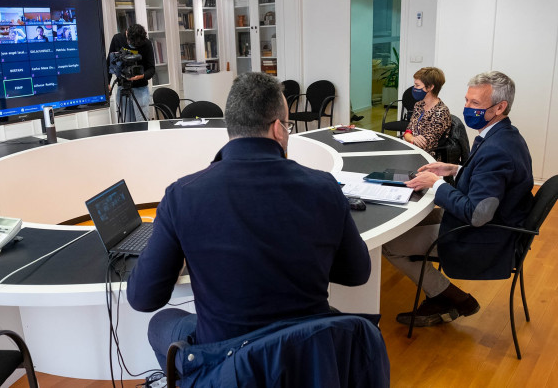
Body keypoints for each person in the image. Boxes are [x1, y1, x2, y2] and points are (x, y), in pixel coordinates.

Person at [127, 72, 372, 370]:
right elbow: (357, 273)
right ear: (278, 129)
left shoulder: (183, 196)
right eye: (289, 126)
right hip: (307, 358)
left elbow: (143, 298)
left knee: (161, 323)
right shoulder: (324, 188)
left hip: (228, 363)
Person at [382, 71, 534, 327]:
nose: (466, 108)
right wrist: (454, 169)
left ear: (500, 107)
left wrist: (437, 184)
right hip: (495, 219)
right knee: (410, 218)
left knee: (391, 247)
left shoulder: (497, 150)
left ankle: (453, 298)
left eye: (475, 104)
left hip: (486, 235)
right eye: (467, 101)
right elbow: (489, 180)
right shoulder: (504, 135)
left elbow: (477, 214)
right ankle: (441, 295)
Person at [107, 24, 155, 122]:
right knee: (127, 125)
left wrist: (142, 76)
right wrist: (107, 83)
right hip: (123, 87)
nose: (134, 47)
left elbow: (151, 69)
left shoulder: (147, 44)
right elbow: (109, 62)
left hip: (141, 88)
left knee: (142, 125)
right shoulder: (117, 39)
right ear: (127, 34)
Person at [403, 67, 452, 158]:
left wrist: (410, 137)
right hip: (413, 152)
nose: (414, 88)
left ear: (430, 87)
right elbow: (407, 132)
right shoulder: (419, 105)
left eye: (417, 85)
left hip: (429, 158)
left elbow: (425, 144)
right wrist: (412, 138)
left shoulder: (441, 112)